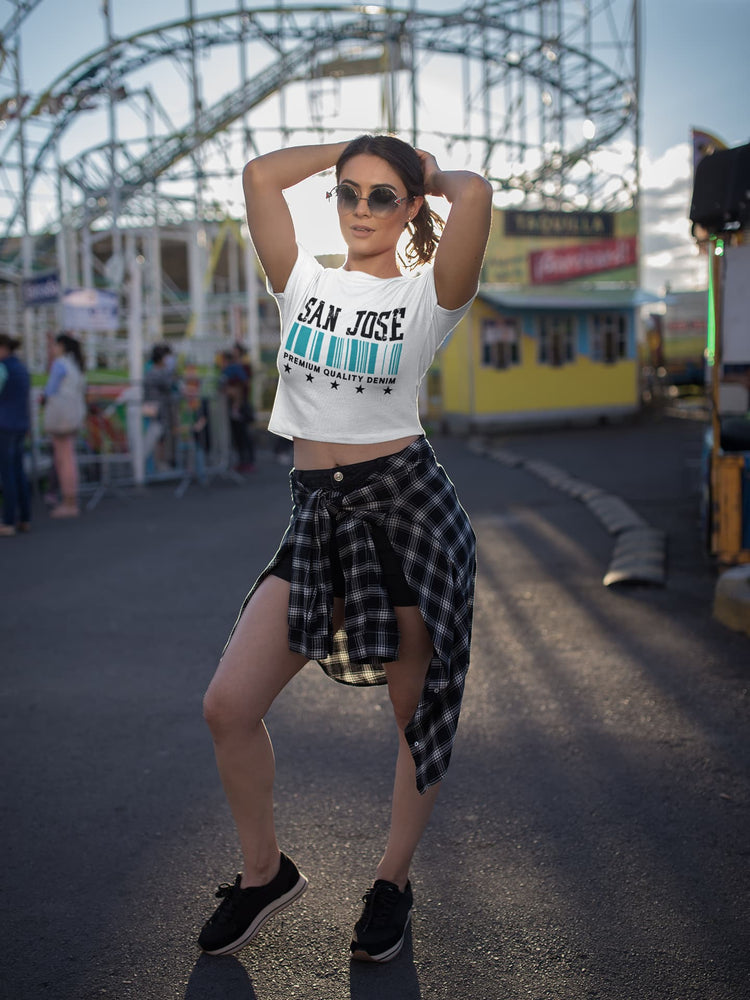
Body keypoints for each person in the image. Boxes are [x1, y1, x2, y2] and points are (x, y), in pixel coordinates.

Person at [199, 135, 492, 962]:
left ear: (411, 206)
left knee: (412, 715)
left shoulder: (427, 296)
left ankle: (392, 882)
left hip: (406, 512)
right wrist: (356, 144)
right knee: (227, 705)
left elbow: (476, 194)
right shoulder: (303, 282)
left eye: (382, 195)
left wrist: (424, 172)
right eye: (349, 192)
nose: (362, 209)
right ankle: (265, 873)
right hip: (317, 515)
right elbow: (260, 175)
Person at [42, 333, 87, 519]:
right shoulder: (75, 365)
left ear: (61, 346)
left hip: (61, 417)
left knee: (64, 460)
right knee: (68, 458)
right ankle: (70, 500)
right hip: (74, 415)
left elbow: (50, 390)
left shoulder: (60, 364)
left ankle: (69, 502)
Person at [0, 334, 32, 536]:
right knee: (19, 472)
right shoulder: (20, 367)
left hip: (4, 424)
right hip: (20, 424)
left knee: (8, 474)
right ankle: (25, 518)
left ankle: (8, 520)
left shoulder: (3, 368)